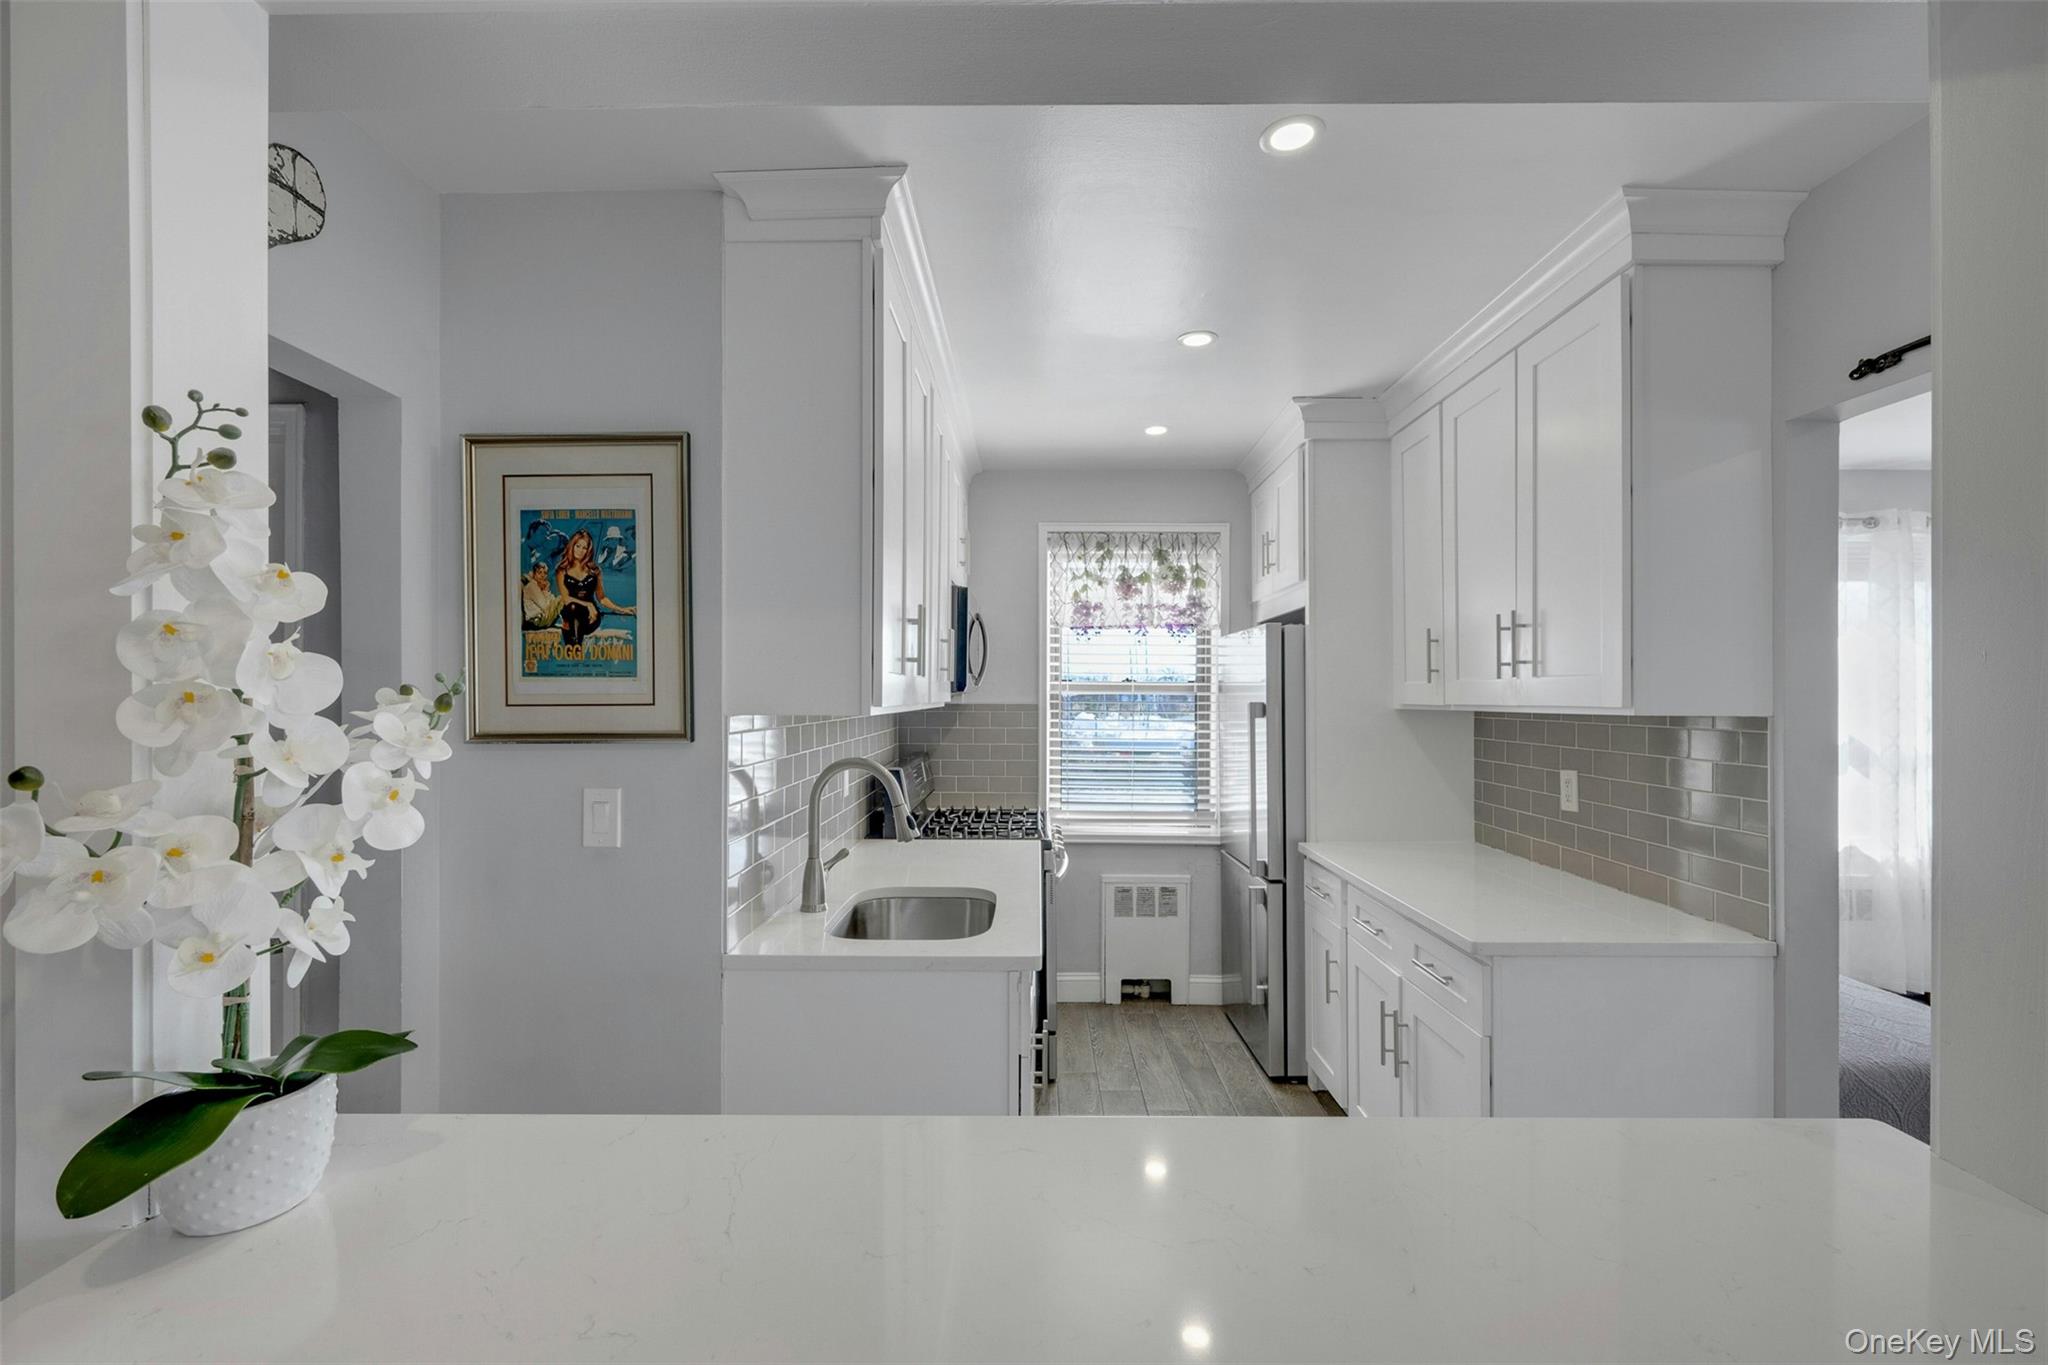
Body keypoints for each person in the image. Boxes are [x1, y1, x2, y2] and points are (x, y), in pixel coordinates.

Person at [554, 527, 635, 647]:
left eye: (584, 548)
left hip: (590, 617)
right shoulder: (561, 570)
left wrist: (621, 609)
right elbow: (566, 599)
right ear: (572, 546)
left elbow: (602, 598)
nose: (580, 551)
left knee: (573, 621)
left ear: (588, 550)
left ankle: (573, 649)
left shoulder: (595, 570)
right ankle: (576, 649)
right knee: (572, 607)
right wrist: (588, 604)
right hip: (570, 613)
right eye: (578, 546)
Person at [521, 561, 561, 630]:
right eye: (539, 572)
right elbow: (545, 607)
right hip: (535, 622)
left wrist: (546, 591)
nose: (542, 575)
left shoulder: (539, 586)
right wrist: (545, 591)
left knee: (561, 599)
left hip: (541, 619)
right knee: (561, 599)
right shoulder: (532, 586)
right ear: (534, 574)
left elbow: (552, 601)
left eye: (545, 573)